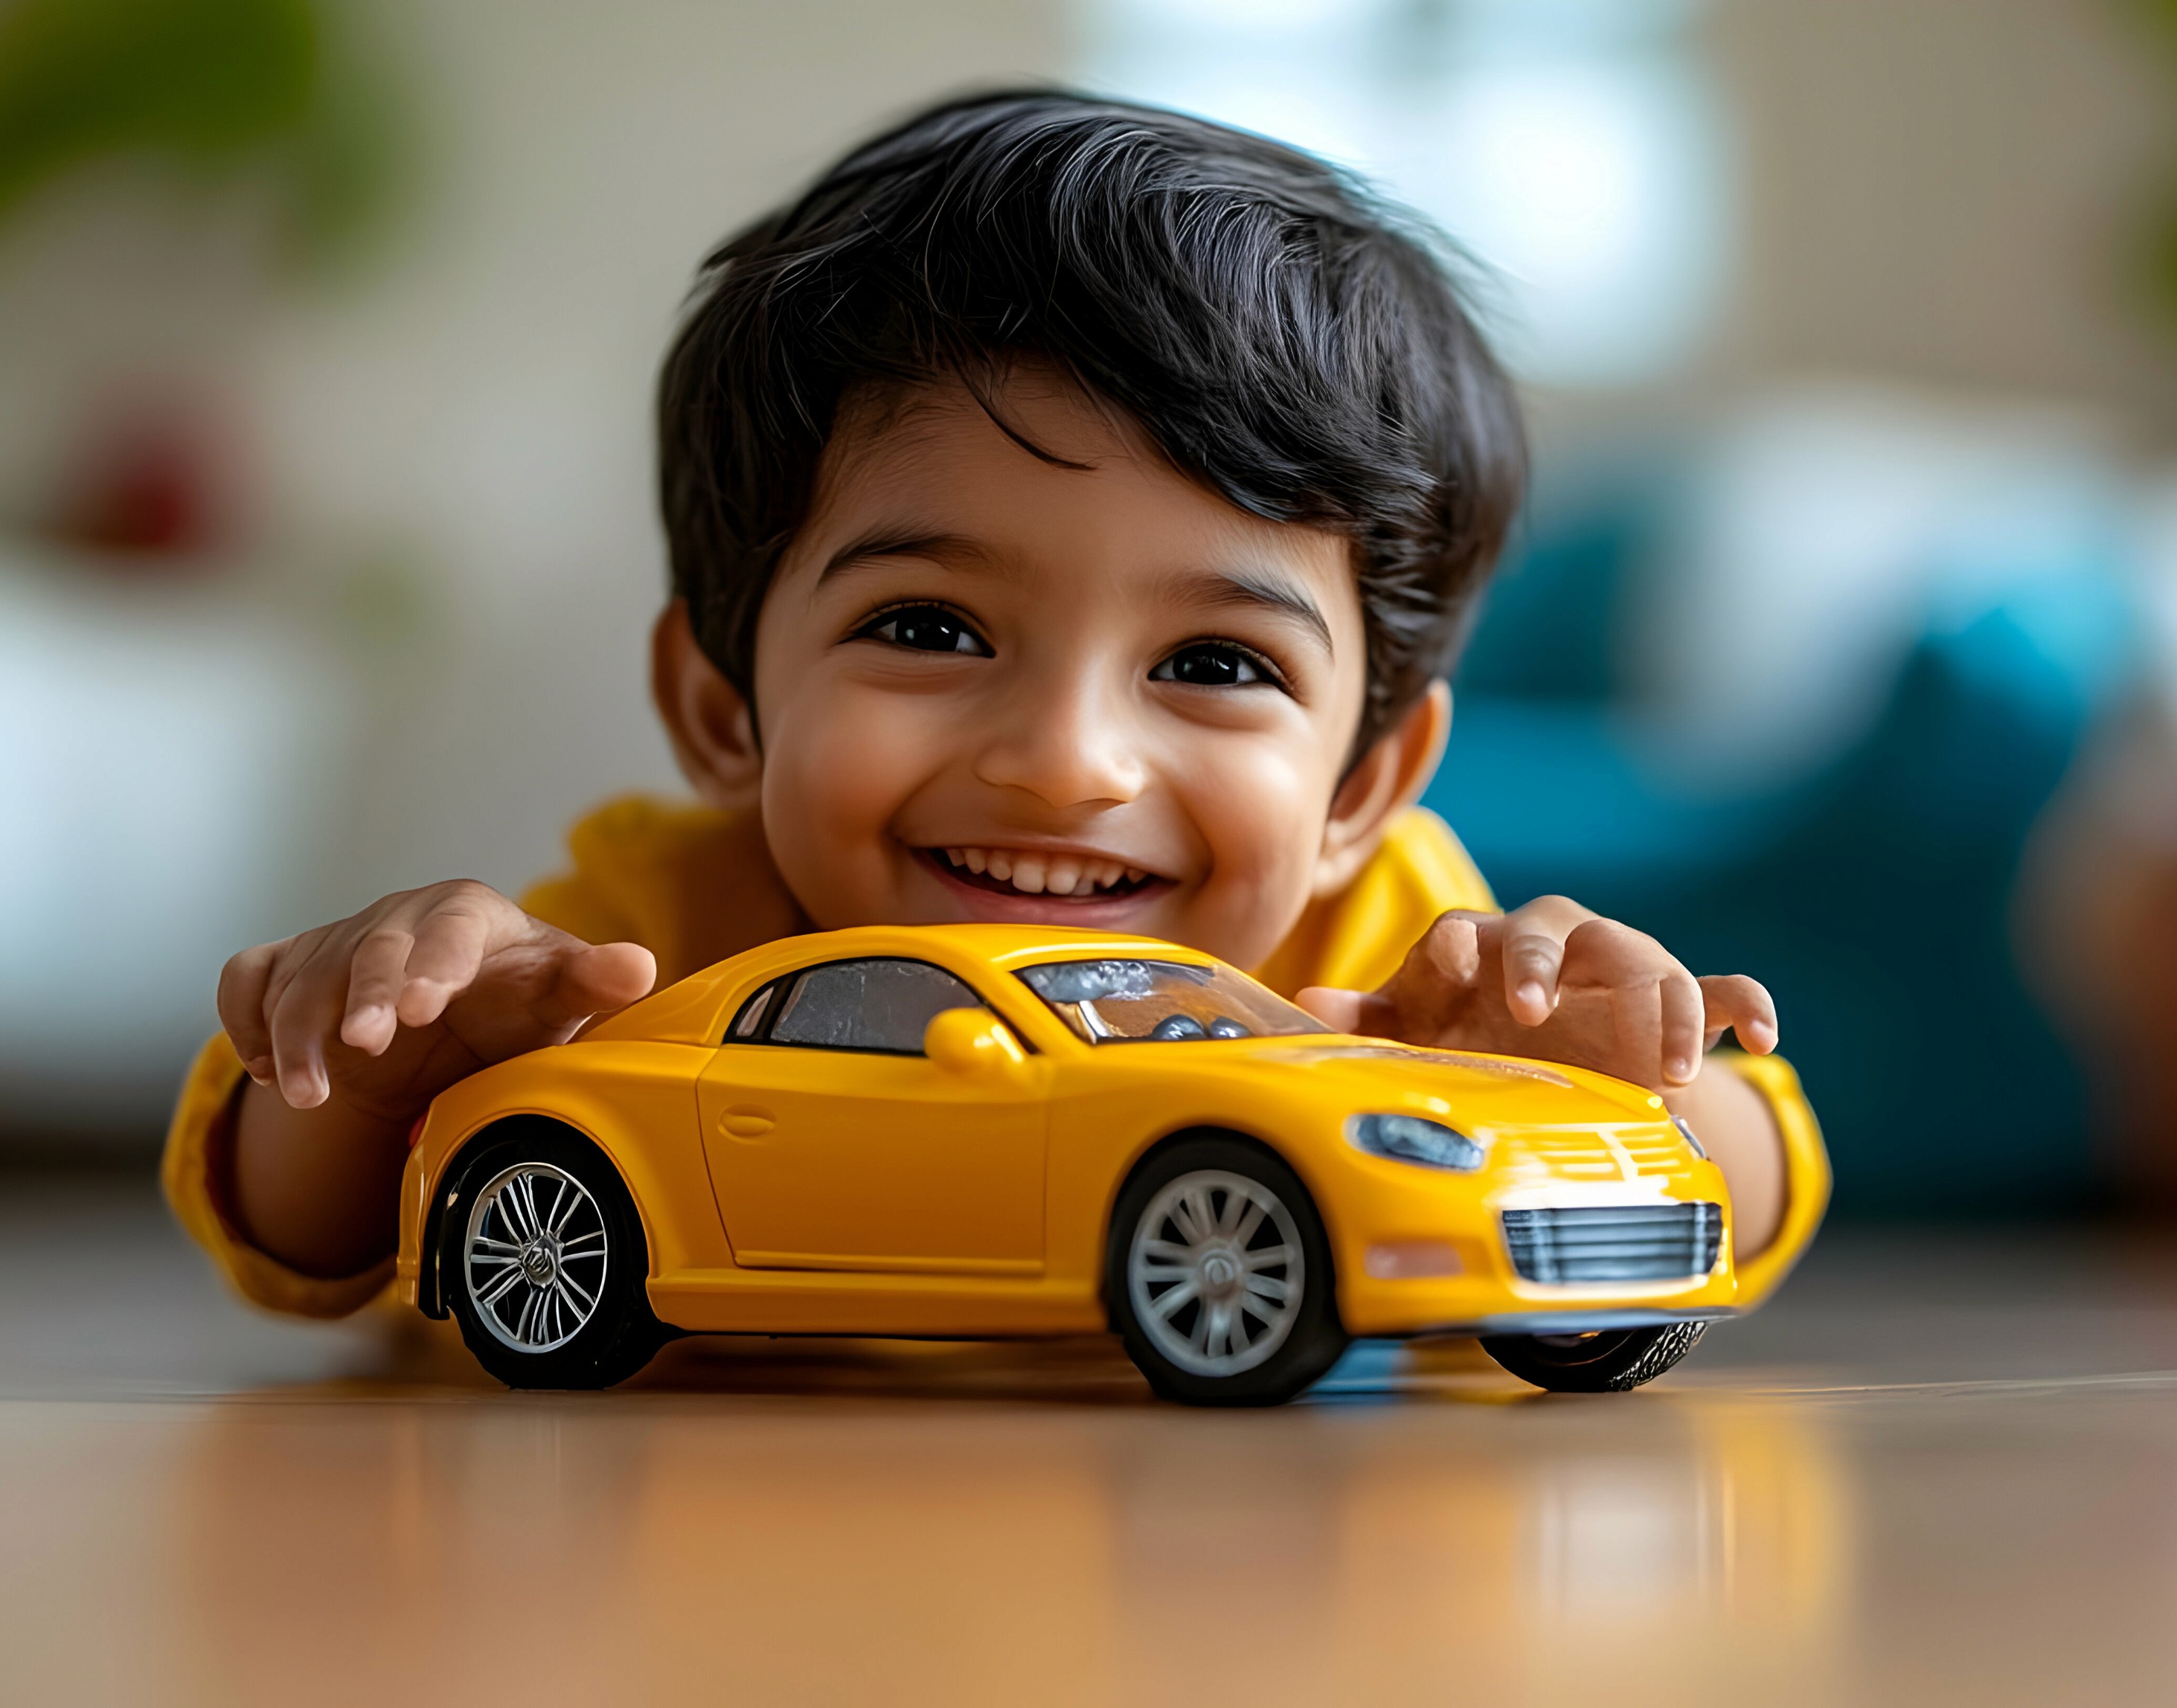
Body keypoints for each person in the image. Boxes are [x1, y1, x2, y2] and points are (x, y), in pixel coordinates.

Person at [161, 90, 1818, 1324]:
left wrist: (1637, 1086)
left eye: (1216, 664)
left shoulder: (1398, 963)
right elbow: (302, 1240)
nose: (1061, 758)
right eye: (932, 623)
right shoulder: (654, 950)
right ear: (724, 705)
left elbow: (1753, 1200)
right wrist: (380, 1080)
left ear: (1362, 780)